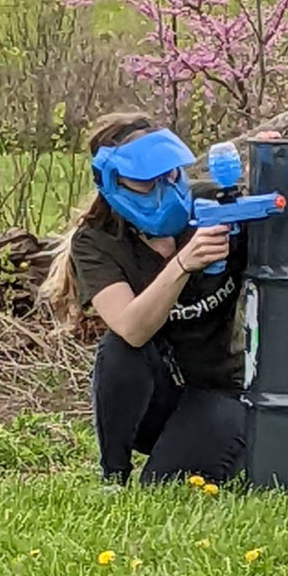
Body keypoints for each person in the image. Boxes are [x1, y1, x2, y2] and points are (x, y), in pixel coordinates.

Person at [39, 113, 249, 486]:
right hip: (157, 399)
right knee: (118, 348)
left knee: (164, 486)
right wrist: (183, 264)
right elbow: (131, 329)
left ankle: (224, 444)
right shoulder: (97, 242)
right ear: (113, 183)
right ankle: (113, 475)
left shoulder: (216, 209)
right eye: (145, 181)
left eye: (169, 175)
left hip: (223, 391)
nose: (163, 189)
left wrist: (278, 161)